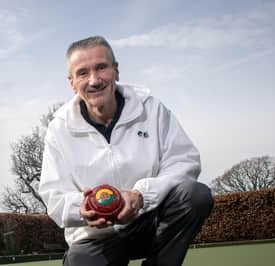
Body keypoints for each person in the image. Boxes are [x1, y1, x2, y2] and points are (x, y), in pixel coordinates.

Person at [38, 36, 214, 266]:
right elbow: (54, 195)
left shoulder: (151, 108)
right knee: (79, 261)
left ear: (116, 70)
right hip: (96, 237)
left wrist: (141, 196)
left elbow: (184, 161)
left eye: (101, 67)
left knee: (195, 195)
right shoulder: (58, 128)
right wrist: (83, 209)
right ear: (71, 82)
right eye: (82, 73)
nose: (94, 80)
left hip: (151, 221)